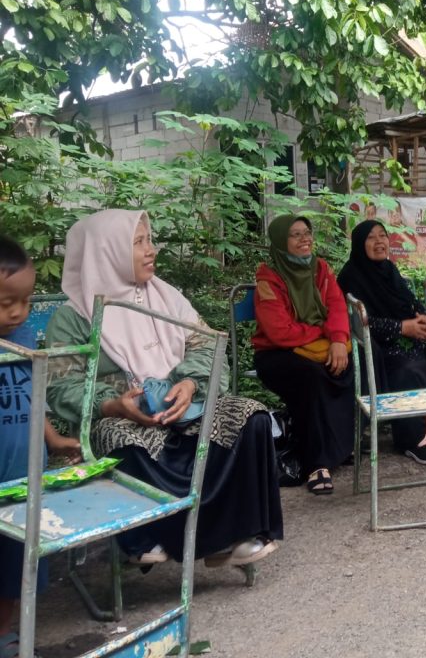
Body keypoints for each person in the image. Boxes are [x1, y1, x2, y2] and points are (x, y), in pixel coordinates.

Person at [45, 210, 283, 566]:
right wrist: (112, 404)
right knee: (117, 436)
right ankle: (155, 537)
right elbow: (61, 386)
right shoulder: (74, 317)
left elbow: (208, 346)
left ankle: (238, 532)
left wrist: (190, 383)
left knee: (251, 417)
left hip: (187, 406)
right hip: (124, 416)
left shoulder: (167, 297)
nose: (151, 250)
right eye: (138, 242)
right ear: (107, 252)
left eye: (149, 240)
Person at [0, 235, 81, 655]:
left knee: (17, 560)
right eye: (5, 303)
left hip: (23, 477)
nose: (17, 311)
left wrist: (54, 440)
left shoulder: (26, 338)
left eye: (25, 301)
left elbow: (31, 400)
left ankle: (4, 631)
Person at [337, 220, 426, 466]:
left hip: (409, 340)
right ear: (359, 244)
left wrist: (422, 318)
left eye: (382, 235)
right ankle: (412, 438)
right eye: (371, 237)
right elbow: (360, 323)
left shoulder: (390, 270)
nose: (379, 242)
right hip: (378, 348)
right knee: (406, 370)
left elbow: (412, 302)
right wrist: (402, 328)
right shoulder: (351, 276)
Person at [253, 214, 354, 496]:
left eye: (307, 232)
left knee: (347, 365)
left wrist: (338, 339)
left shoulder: (320, 269)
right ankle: (316, 463)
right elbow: (279, 331)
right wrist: (323, 333)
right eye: (295, 234)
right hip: (276, 354)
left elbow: (336, 306)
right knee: (311, 377)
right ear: (280, 241)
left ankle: (339, 448)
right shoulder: (269, 278)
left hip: (318, 347)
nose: (304, 239)